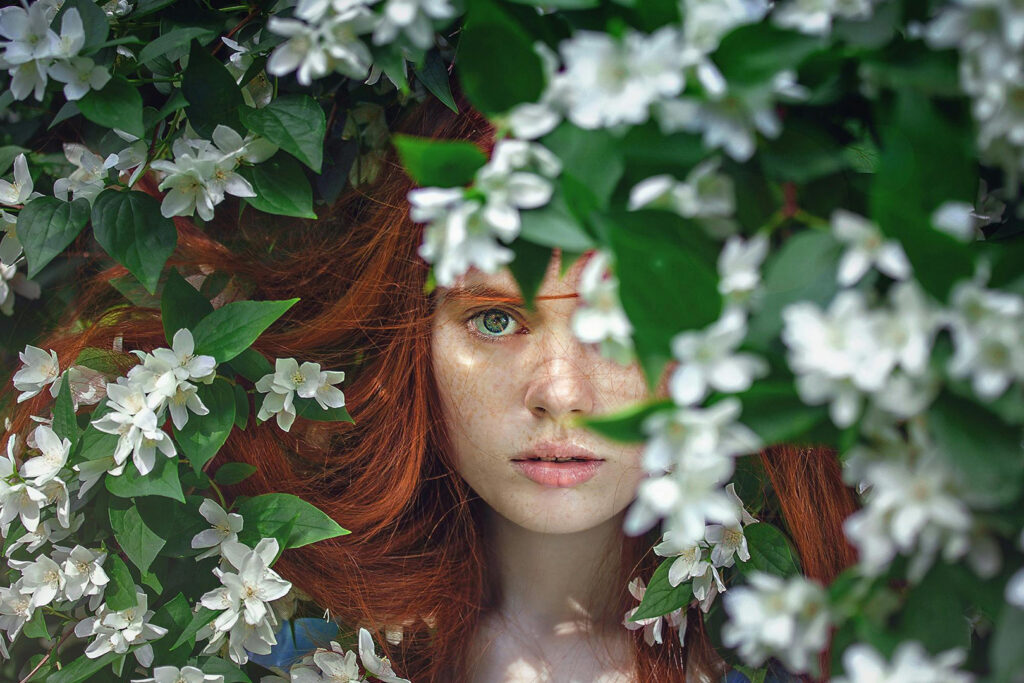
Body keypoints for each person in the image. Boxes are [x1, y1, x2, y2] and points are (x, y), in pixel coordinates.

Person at [8, 93, 857, 682]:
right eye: (494, 319)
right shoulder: (294, 648)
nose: (559, 391)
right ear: (413, 341)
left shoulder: (819, 650)